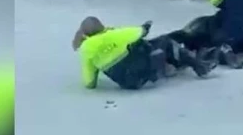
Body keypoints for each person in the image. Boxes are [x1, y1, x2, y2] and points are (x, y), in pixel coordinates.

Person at [72, 16, 213, 90]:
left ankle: (167, 67)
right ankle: (200, 67)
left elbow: (89, 82)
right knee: (166, 42)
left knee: (144, 49)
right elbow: (141, 32)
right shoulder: (114, 34)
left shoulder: (86, 50)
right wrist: (146, 25)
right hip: (143, 73)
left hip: (128, 84)